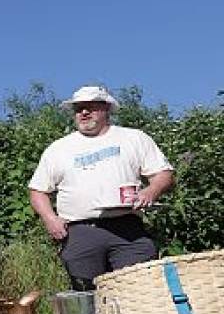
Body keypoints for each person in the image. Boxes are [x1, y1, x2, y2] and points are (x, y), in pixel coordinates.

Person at [28, 85, 175, 290]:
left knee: (139, 292)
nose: (84, 113)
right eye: (79, 109)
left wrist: (151, 191)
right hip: (80, 233)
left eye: (91, 107)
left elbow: (164, 174)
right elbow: (38, 191)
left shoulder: (133, 138)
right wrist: (50, 219)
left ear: (106, 109)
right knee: (88, 300)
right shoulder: (58, 149)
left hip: (128, 229)